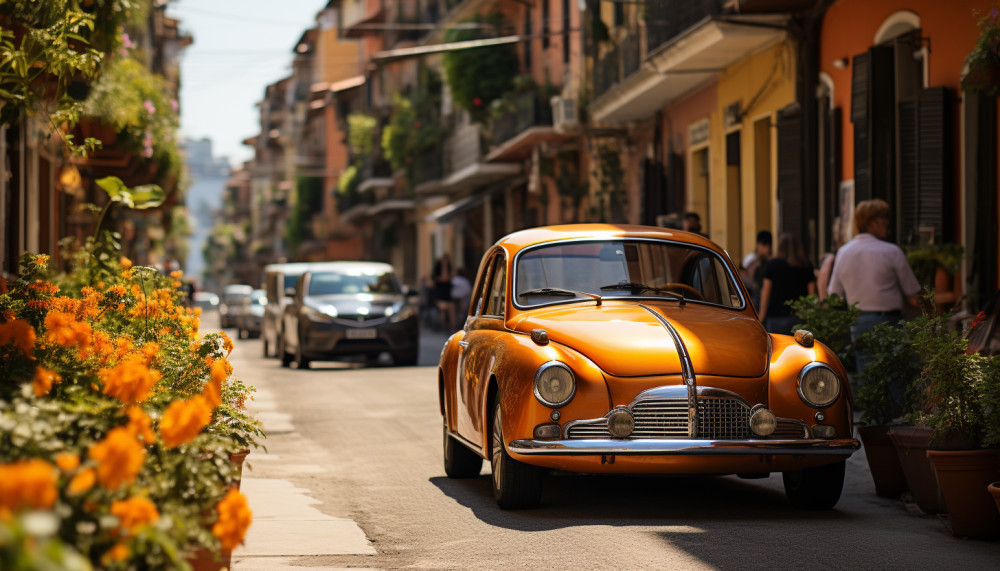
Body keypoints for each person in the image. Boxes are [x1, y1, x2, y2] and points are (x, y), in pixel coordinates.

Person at [828, 198, 921, 375]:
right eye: (883, 217)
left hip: (859, 321)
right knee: (894, 378)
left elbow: (834, 293)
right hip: (889, 321)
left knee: (867, 379)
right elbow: (913, 294)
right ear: (871, 223)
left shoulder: (843, 252)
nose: (887, 221)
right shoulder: (891, 251)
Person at [758, 232, 816, 334]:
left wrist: (761, 317)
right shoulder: (806, 265)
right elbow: (812, 295)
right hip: (799, 318)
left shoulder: (772, 265)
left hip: (776, 318)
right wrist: (813, 316)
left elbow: (765, 292)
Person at [741, 230, 772, 311]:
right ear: (758, 244)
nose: (765, 248)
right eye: (763, 245)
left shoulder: (771, 261)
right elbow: (745, 275)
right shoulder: (750, 258)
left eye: (767, 245)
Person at [432, 254, 455, 331]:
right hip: (440, 290)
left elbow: (450, 277)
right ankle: (443, 325)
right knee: (442, 309)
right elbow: (435, 278)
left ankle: (451, 325)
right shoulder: (437, 267)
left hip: (447, 290)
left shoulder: (449, 267)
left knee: (450, 308)